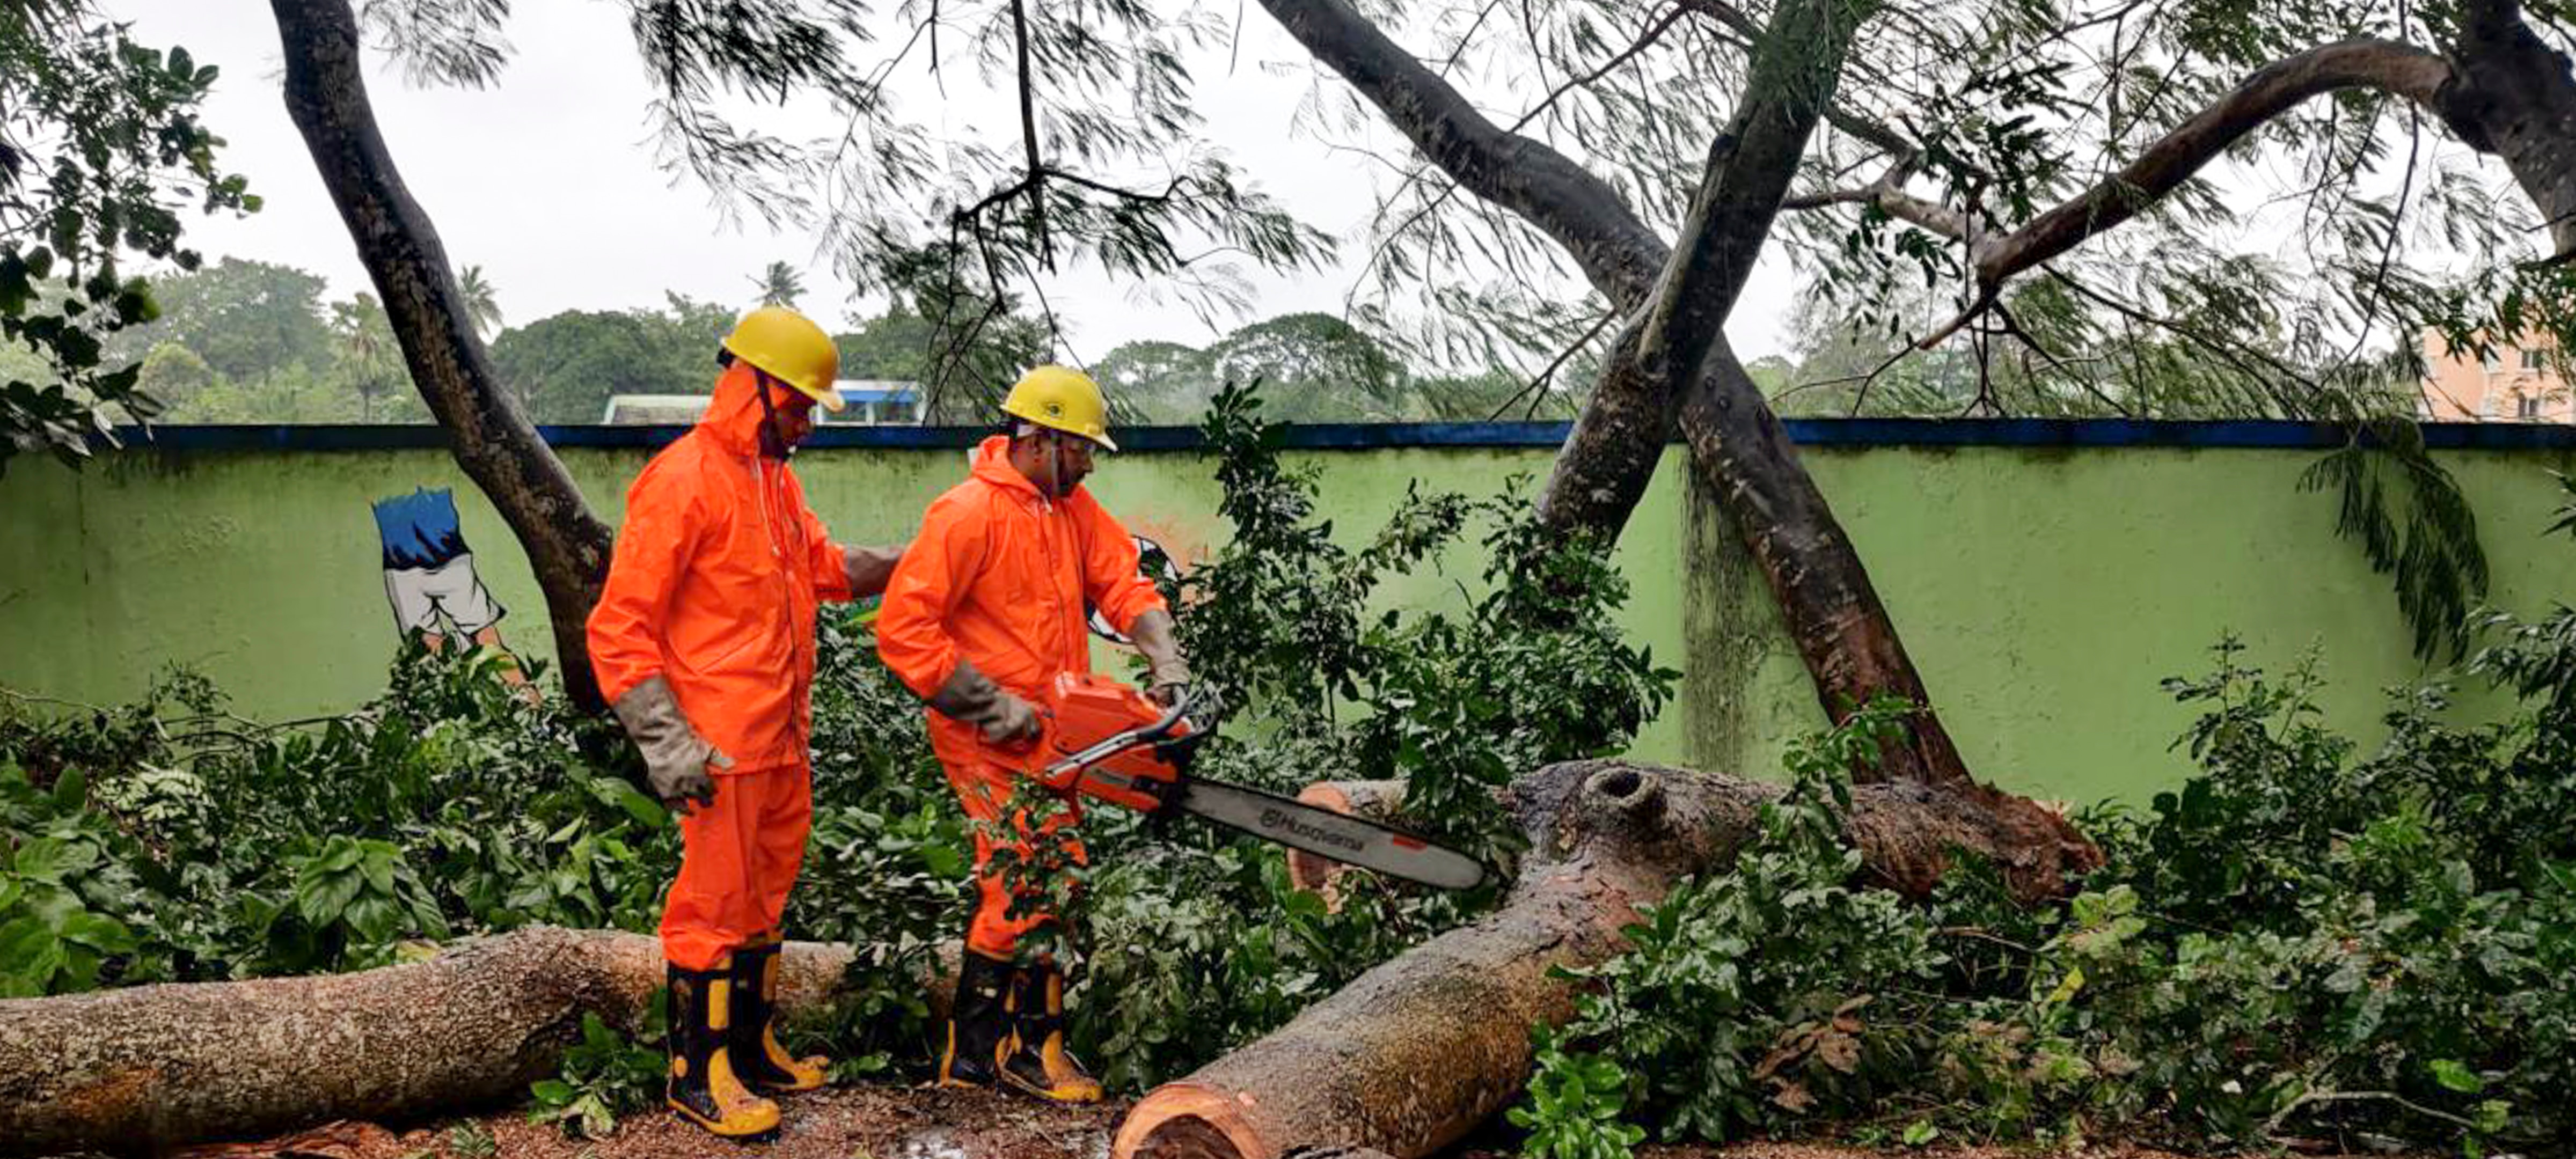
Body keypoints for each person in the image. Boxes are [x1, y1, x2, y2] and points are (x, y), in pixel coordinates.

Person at [587, 305, 905, 1138]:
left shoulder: (775, 482)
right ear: (755, 388)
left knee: (763, 901)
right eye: (798, 407)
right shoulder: (682, 480)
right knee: (712, 908)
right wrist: (666, 742)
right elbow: (619, 627)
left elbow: (826, 567)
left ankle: (752, 1048)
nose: (805, 426)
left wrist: (915, 564)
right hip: (718, 745)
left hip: (781, 737)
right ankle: (697, 1073)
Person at [875, 364, 1191, 1103]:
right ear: (1039, 439)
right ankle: (986, 1058)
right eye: (1080, 449)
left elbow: (1123, 582)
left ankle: (1022, 1048)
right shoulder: (967, 514)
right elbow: (905, 630)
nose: (1088, 464)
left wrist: (1165, 656)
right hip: (986, 734)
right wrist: (990, 705)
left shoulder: (1069, 510)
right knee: (1024, 880)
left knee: (1057, 874)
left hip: (1055, 729)